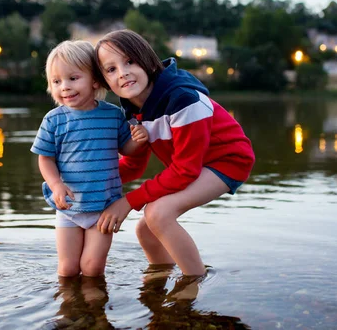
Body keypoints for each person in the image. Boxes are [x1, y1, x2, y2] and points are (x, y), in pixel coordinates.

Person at [93, 30, 255, 276]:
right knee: (145, 229)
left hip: (228, 161)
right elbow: (135, 165)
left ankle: (193, 281)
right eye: (111, 69)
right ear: (104, 81)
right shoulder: (134, 109)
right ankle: (158, 280)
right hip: (192, 165)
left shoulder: (183, 99)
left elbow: (185, 171)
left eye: (129, 61)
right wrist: (89, 180)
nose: (122, 72)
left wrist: (127, 202)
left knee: (158, 213)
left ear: (147, 60)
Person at [31, 40, 148, 277]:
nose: (64, 87)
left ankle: (93, 311)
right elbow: (45, 159)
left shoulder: (113, 115)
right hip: (69, 207)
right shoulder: (53, 120)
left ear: (95, 80)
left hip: (104, 206)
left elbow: (126, 149)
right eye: (56, 81)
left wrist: (139, 139)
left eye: (73, 78)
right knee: (68, 269)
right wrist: (56, 185)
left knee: (93, 268)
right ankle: (70, 309)